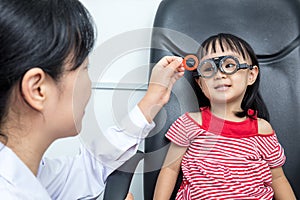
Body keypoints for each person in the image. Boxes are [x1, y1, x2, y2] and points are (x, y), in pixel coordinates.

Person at [0, 0, 185, 199]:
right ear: (38, 89)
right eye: (84, 69)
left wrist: (152, 99)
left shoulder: (26, 172)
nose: (88, 83)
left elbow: (91, 168)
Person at [154, 33, 296, 199]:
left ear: (251, 75)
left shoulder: (262, 129)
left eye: (229, 65)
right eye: (208, 68)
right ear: (200, 83)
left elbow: (278, 178)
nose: (219, 74)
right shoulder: (190, 123)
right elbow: (170, 169)